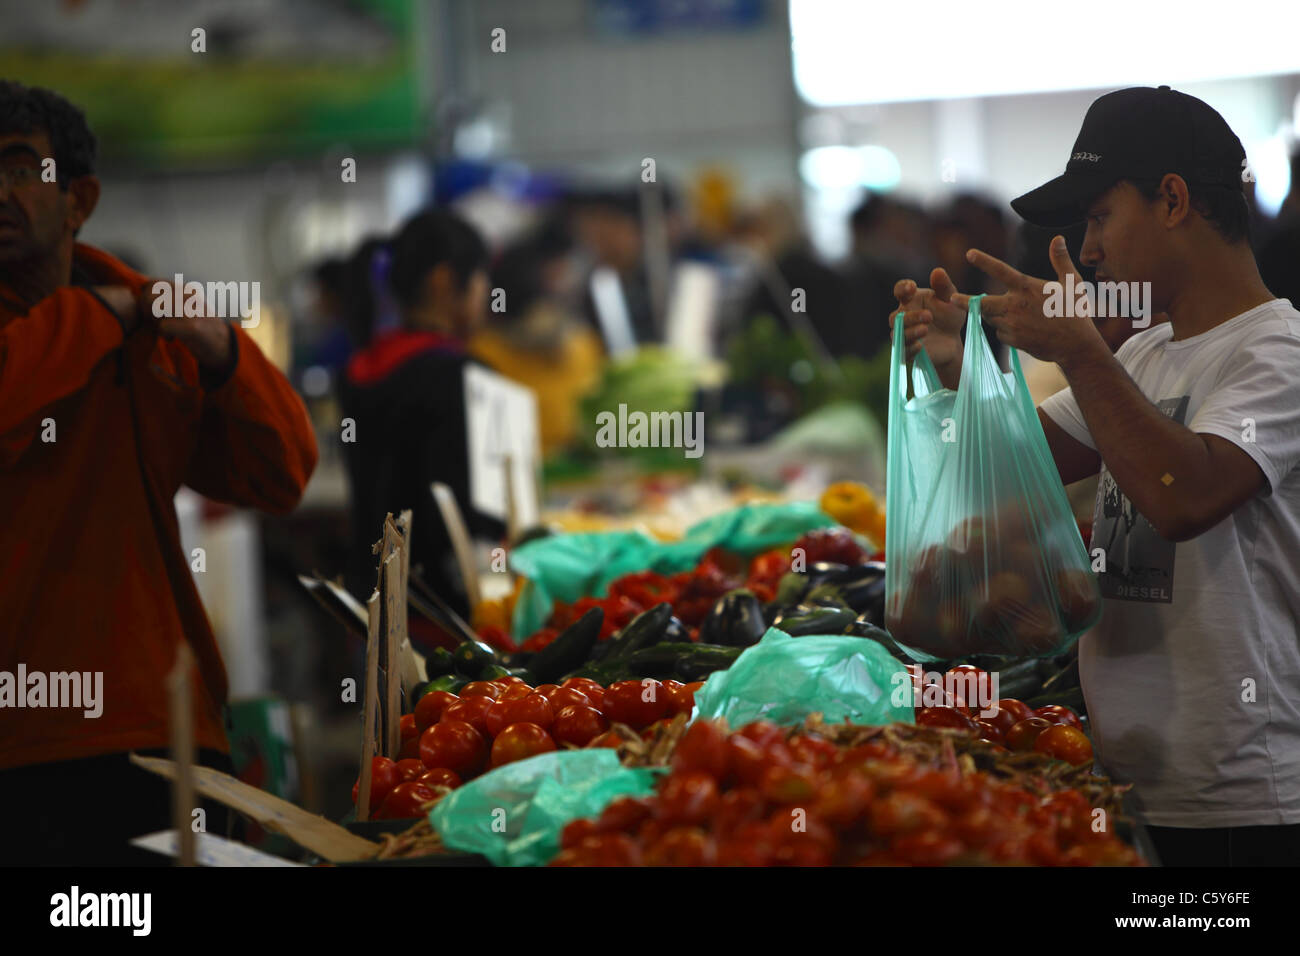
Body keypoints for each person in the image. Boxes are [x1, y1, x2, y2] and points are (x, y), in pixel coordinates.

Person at [890, 86, 1300, 866]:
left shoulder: (1277, 356)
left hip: (1249, 799)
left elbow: (1188, 495)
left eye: (1100, 216)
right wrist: (964, 374)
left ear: (1173, 200)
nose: (1088, 249)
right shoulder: (1146, 354)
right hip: (1134, 781)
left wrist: (1079, 349)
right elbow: (1007, 473)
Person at [0, 81, 318, 864]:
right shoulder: (116, 316)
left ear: (79, 201)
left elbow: (280, 474)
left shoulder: (147, 329)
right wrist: (110, 312)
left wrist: (224, 358)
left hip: (156, 725)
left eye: (18, 167)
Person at [338, 209, 504, 617]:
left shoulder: (360, 370)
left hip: (374, 605)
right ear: (445, 280)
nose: (486, 292)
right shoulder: (463, 377)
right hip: (445, 618)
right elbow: (477, 524)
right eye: (481, 277)